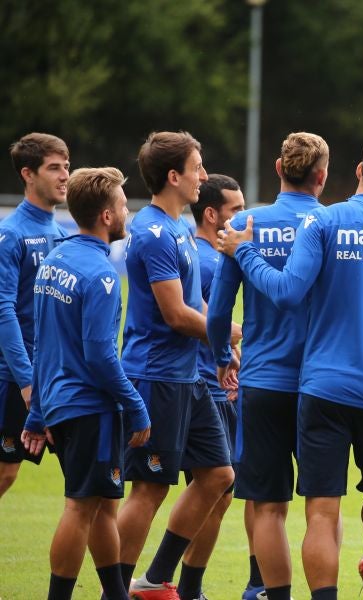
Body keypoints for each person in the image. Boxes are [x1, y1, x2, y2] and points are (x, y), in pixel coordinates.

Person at [218, 132, 363, 600]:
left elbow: (286, 292)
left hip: (317, 385)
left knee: (319, 510)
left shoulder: (324, 224)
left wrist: (243, 250)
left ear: (359, 171)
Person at [207, 132, 328, 600]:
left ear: (278, 168)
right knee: (322, 507)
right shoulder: (332, 225)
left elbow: (218, 312)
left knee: (269, 506)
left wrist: (222, 358)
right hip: (321, 384)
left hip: (262, 382)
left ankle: (271, 593)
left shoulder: (246, 224)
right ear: (321, 176)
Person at [21, 166, 151, 600]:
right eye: (121, 205)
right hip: (89, 408)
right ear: (108, 216)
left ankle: (115, 595)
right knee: (80, 506)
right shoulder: (102, 274)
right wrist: (134, 405)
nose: (127, 213)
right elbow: (99, 353)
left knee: (102, 506)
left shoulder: (53, 261)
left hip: (59, 403)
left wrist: (38, 411)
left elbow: (42, 343)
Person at [117, 131, 236, 599]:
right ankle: (117, 588)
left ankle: (153, 578)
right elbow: (176, 314)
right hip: (156, 376)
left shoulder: (180, 229)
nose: (203, 176)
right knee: (149, 488)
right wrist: (226, 333)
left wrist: (226, 350)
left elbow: (198, 305)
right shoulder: (151, 231)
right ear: (174, 176)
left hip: (189, 377)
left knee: (219, 475)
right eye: (198, 166)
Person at [175, 174, 245, 600]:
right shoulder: (202, 259)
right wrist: (241, 333)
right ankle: (170, 581)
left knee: (221, 490)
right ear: (211, 214)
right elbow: (199, 314)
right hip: (200, 385)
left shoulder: (217, 257)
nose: (241, 217)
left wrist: (232, 356)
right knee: (214, 485)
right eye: (235, 210)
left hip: (217, 383)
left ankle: (188, 587)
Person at [0, 133, 70, 498]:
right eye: (54, 168)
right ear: (28, 174)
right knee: (5, 473)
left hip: (55, 379)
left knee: (84, 480)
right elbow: (3, 312)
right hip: (16, 380)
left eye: (67, 167)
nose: (64, 176)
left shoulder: (60, 233)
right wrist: (28, 383)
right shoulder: (11, 234)